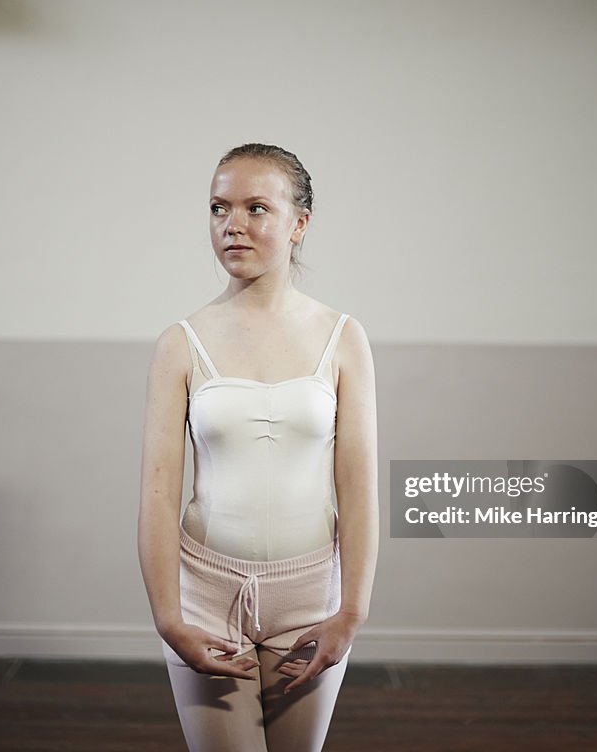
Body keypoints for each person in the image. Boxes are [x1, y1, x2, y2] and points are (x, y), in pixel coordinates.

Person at [137, 142, 379, 751]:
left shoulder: (344, 338)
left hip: (310, 597)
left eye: (256, 208)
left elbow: (359, 489)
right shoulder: (181, 342)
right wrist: (169, 617)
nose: (233, 225)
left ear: (299, 224)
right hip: (205, 595)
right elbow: (159, 493)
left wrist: (351, 613)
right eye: (219, 209)